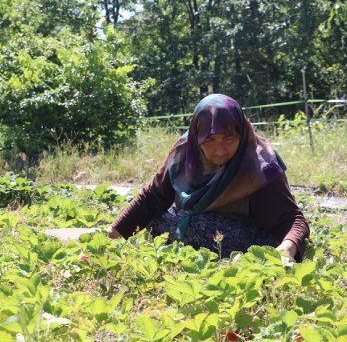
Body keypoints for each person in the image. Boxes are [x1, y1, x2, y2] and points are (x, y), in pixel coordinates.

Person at [107, 93, 309, 263]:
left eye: (229, 139)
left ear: (242, 134)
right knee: (154, 216)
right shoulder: (183, 154)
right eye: (210, 140)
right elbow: (151, 198)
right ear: (197, 137)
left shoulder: (259, 166)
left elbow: (293, 220)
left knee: (196, 224)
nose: (220, 150)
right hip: (197, 227)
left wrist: (287, 248)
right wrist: (110, 238)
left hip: (247, 239)